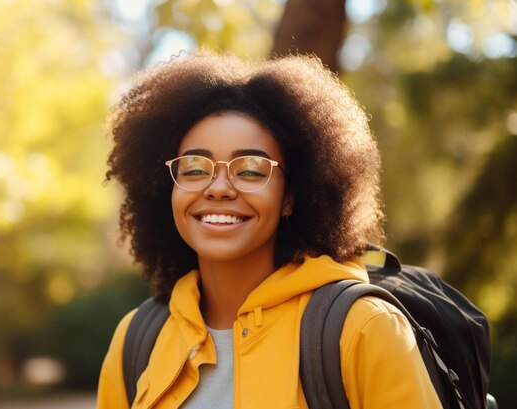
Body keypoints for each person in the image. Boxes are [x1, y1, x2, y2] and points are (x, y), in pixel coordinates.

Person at [97, 51, 441, 409]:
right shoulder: (135, 341)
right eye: (195, 168)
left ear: (289, 196)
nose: (218, 187)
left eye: (250, 170)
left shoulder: (363, 329)